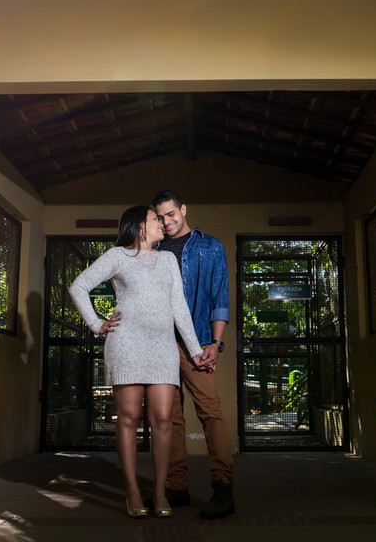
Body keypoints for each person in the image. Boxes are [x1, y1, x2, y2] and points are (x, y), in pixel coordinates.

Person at [68, 205, 206, 518]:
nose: (162, 222)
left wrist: (195, 350)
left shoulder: (168, 259)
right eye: (156, 218)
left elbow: (180, 309)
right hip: (126, 344)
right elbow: (78, 286)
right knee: (128, 418)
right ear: (139, 226)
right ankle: (132, 492)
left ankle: (159, 494)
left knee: (162, 420)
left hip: (162, 347)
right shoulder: (117, 256)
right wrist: (96, 323)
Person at [153, 189, 236, 519]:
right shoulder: (153, 250)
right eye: (160, 217)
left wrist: (215, 343)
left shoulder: (210, 246)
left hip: (198, 343)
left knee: (210, 413)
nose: (167, 222)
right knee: (169, 418)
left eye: (171, 214)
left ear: (184, 210)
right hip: (159, 346)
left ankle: (224, 487)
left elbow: (219, 296)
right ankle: (177, 486)